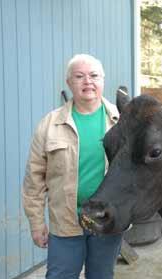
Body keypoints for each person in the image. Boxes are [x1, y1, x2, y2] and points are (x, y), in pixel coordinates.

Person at [22, 54, 122, 279]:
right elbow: (34, 179)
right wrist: (37, 223)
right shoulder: (50, 124)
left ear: (103, 80)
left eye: (94, 75)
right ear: (69, 82)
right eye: (79, 76)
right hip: (66, 223)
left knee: (102, 276)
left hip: (107, 222)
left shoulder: (122, 121)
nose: (88, 81)